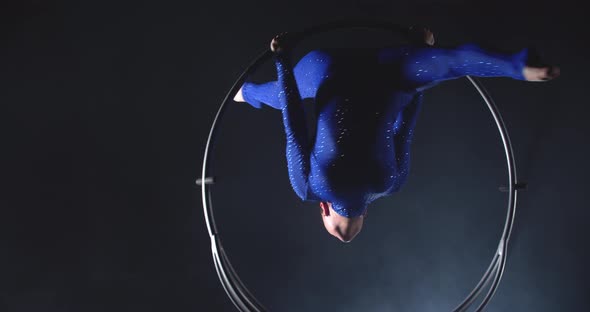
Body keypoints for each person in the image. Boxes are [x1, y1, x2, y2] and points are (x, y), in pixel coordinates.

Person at [233, 27, 559, 243]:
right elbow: (293, 124)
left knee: (449, 64)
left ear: (366, 211)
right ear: (324, 209)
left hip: (386, 78)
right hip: (328, 70)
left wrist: (418, 65)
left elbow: (406, 126)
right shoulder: (310, 190)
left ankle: (517, 66)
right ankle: (245, 93)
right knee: (280, 94)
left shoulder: (389, 184)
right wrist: (282, 58)